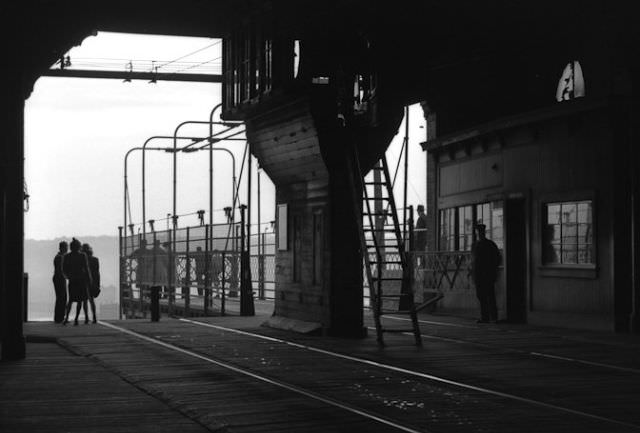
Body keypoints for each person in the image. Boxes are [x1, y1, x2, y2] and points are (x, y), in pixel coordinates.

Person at [471, 224, 501, 323]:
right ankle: (488, 317)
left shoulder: (479, 245)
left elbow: (496, 259)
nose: (479, 234)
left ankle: (490, 317)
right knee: (483, 296)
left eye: (480, 232)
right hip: (483, 274)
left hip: (485, 274)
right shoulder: (488, 244)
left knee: (488, 296)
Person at [62, 238, 93, 325]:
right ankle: (77, 319)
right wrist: (89, 279)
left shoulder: (67, 256)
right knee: (81, 300)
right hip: (81, 280)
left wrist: (68, 276)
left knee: (71, 300)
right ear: (78, 247)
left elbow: (64, 269)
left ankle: (66, 317)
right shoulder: (82, 256)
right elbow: (86, 268)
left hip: (72, 280)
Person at [82, 243, 99, 323]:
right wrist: (97, 283)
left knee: (84, 301)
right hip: (92, 282)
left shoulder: (82, 260)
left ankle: (86, 317)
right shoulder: (95, 260)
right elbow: (97, 273)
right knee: (91, 300)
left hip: (83, 281)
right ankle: (94, 317)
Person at [52, 241, 68, 323]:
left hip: (58, 278)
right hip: (60, 279)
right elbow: (60, 270)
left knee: (60, 298)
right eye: (66, 247)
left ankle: (59, 317)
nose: (67, 249)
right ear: (62, 248)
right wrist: (66, 276)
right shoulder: (60, 257)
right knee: (62, 298)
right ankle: (60, 317)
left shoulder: (59, 256)